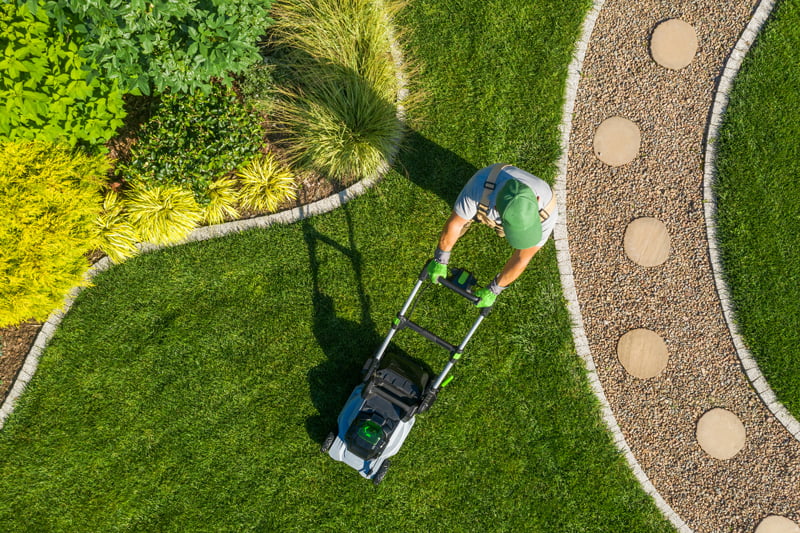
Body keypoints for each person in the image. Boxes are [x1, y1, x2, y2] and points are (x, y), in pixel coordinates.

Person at [426, 163, 558, 307]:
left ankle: (499, 226)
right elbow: (455, 224)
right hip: (487, 194)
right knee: (463, 219)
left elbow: (522, 257)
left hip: (499, 206)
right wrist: (441, 258)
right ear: (496, 210)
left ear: (537, 200)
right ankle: (474, 217)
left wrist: (494, 289)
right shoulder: (479, 186)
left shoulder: (548, 211)